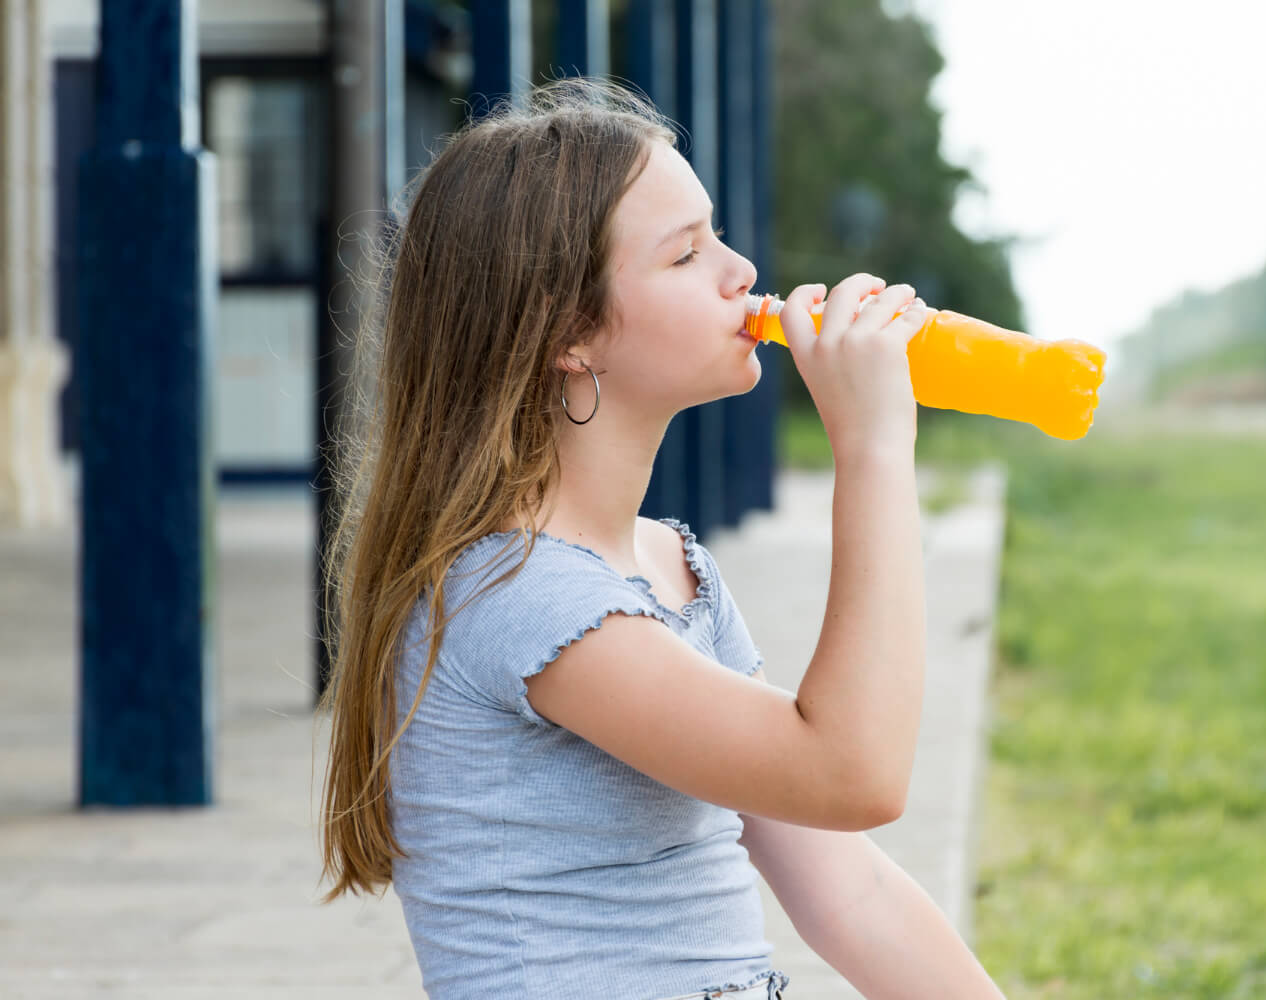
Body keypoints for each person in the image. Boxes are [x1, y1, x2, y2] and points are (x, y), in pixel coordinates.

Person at [316, 77, 1007, 1000]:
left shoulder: (669, 568)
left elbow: (855, 891)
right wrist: (874, 449)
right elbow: (853, 771)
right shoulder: (518, 595)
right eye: (687, 255)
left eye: (716, 234)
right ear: (572, 332)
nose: (740, 273)